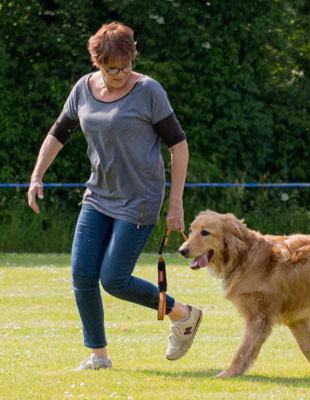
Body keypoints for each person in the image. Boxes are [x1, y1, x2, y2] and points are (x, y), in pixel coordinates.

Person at [27, 22, 202, 370]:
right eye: (112, 68)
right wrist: (36, 176)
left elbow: (178, 147)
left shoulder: (149, 90)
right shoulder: (83, 89)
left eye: (126, 66)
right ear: (97, 61)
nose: (120, 73)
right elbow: (59, 132)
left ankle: (183, 314)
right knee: (81, 275)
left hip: (140, 199)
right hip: (98, 195)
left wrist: (176, 202)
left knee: (114, 279)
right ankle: (99, 356)